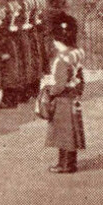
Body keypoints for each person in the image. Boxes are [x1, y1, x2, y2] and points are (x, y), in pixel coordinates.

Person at [42, 14, 87, 174]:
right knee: (71, 132)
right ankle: (70, 163)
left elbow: (59, 85)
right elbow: (80, 77)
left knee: (63, 133)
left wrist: (50, 91)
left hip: (63, 99)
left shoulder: (61, 59)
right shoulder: (76, 53)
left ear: (58, 39)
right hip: (74, 97)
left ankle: (65, 165)